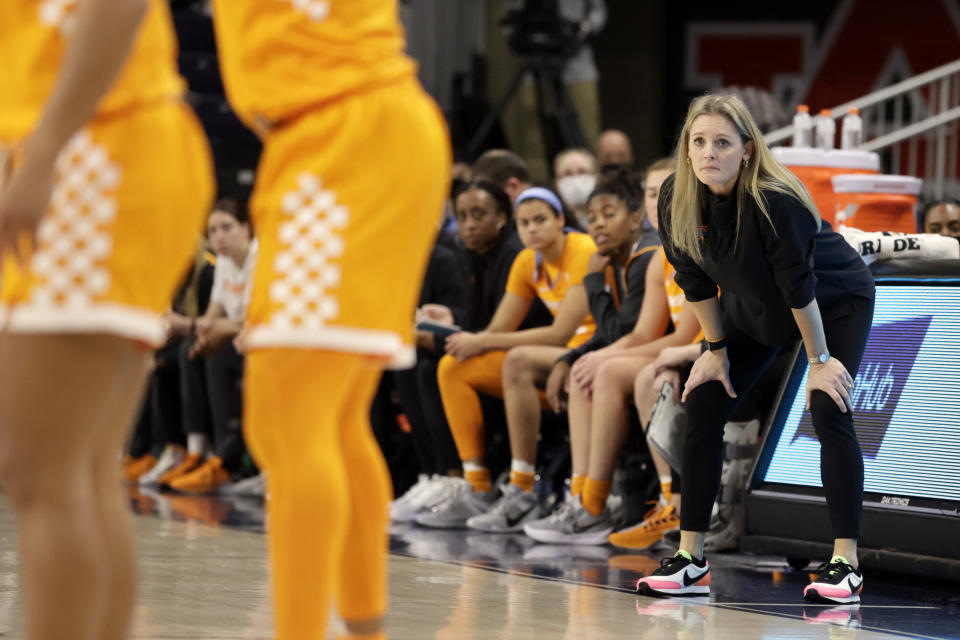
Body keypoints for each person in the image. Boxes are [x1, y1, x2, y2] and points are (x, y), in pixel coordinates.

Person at [210, 2, 450, 639]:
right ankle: (363, 626)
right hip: (341, 132)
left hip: (346, 137)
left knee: (288, 418)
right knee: (331, 420)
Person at [0, 2, 214, 639]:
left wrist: (42, 154)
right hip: (99, 147)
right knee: (80, 469)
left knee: (40, 469)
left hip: (99, 150)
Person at [635, 93, 875, 604]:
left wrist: (818, 363)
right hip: (756, 308)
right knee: (702, 402)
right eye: (698, 142)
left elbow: (799, 289)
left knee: (827, 407)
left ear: (746, 149)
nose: (708, 153)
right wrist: (715, 348)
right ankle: (691, 560)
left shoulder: (775, 200)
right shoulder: (677, 193)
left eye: (722, 142)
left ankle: (845, 565)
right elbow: (693, 280)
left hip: (831, 303)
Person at [465, 170, 660, 534]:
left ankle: (592, 501)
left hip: (648, 355)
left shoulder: (625, 255)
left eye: (608, 214)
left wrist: (591, 291)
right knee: (457, 367)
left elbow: (608, 332)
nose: (598, 224)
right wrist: (573, 358)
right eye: (594, 216)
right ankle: (557, 495)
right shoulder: (612, 256)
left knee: (591, 371)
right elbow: (611, 333)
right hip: (612, 351)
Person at [416, 187, 596, 529]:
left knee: (515, 360)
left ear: (560, 220)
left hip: (588, 349)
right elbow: (500, 327)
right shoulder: (528, 260)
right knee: (454, 366)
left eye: (540, 220)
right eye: (524, 223)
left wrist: (481, 339)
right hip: (555, 357)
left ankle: (522, 487)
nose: (532, 229)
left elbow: (560, 333)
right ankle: (477, 486)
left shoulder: (582, 250)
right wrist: (465, 335)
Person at [391, 180, 551, 522]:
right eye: (462, 216)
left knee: (443, 366)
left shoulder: (516, 256)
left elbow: (528, 330)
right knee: (416, 364)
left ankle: (470, 480)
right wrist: (453, 320)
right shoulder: (472, 256)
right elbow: (491, 325)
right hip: (506, 352)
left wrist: (470, 337)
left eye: (479, 214)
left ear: (502, 218)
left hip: (536, 359)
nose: (469, 224)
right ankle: (447, 477)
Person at [163, 198, 257, 493]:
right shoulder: (224, 262)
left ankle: (227, 459)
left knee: (219, 356)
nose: (219, 237)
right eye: (213, 230)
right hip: (237, 336)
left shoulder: (260, 258)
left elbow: (254, 319)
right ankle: (194, 448)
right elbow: (212, 315)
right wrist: (199, 333)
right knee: (190, 353)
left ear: (246, 228)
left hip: (256, 340)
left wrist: (198, 327)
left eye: (226, 227)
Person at [554, 148, 599, 229]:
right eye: (567, 173)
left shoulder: (608, 220)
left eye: (582, 171)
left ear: (596, 178)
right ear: (557, 182)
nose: (575, 179)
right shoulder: (554, 223)